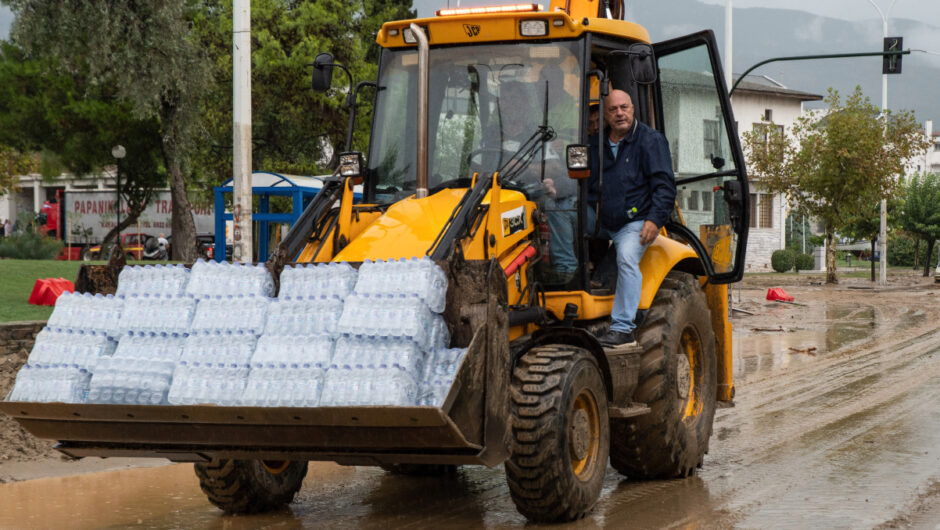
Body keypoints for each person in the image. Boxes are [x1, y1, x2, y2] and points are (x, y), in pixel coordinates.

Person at [590, 89, 676, 348]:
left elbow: (664, 186)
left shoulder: (650, 141)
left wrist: (654, 220)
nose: (619, 113)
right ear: (605, 115)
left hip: (634, 222)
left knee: (626, 256)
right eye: (613, 109)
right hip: (601, 220)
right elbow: (584, 184)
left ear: (632, 109)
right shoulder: (596, 144)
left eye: (624, 107)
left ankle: (623, 327)